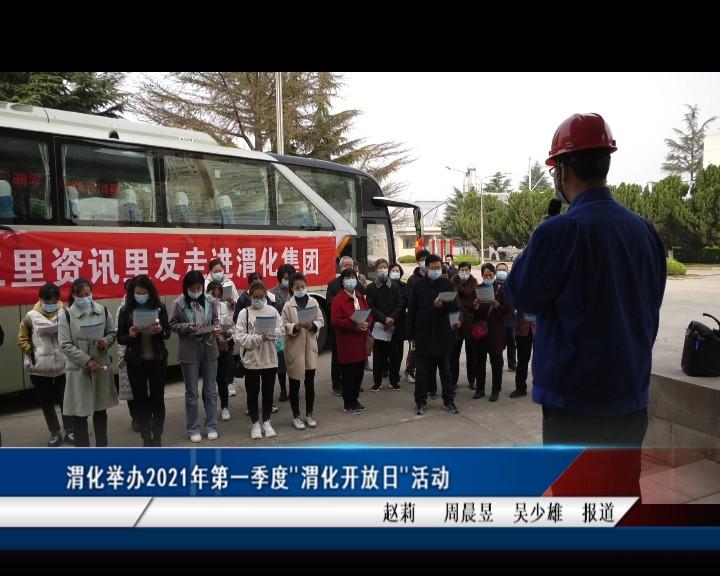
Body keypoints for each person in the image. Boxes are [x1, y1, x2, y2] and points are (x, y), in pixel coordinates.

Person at [504, 112, 667, 498]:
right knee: (621, 496)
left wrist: (537, 240)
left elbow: (519, 294)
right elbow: (652, 298)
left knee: (577, 502)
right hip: (630, 397)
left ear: (561, 170)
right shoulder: (644, 230)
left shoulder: (560, 230)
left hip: (575, 403)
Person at [58, 278, 118, 447]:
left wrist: (105, 342)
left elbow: (112, 333)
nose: (85, 298)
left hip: (100, 367)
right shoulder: (66, 315)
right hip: (79, 370)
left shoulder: (102, 311)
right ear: (74, 295)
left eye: (87, 294)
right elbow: (65, 344)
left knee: (100, 413)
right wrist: (87, 360)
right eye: (81, 295)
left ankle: (102, 449)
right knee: (80, 415)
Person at [116, 275, 171, 447]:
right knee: (139, 400)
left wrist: (160, 330)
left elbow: (167, 333)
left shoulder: (159, 307)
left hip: (157, 359)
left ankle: (158, 436)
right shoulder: (126, 310)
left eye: (144, 292)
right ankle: (146, 437)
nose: (140, 296)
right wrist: (130, 335)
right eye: (137, 293)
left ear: (150, 291)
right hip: (136, 361)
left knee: (157, 398)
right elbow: (120, 337)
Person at [17, 282, 73, 447]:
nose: (51, 304)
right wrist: (33, 352)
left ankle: (70, 430)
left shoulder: (65, 313)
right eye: (47, 301)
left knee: (66, 400)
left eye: (54, 300)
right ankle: (54, 432)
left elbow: (73, 333)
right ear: (40, 299)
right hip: (39, 369)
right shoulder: (30, 317)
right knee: (46, 403)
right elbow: (21, 339)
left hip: (63, 366)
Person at [169, 270, 221, 443]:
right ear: (186, 288)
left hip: (209, 348)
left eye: (199, 288)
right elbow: (172, 324)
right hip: (189, 350)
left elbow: (216, 321)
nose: (196, 291)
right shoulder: (179, 303)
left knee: (211, 390)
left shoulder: (211, 302)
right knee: (191, 392)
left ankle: (212, 425)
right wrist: (186, 327)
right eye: (193, 289)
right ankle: (193, 428)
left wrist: (215, 330)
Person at [406, 254, 458, 415]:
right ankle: (420, 401)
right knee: (422, 372)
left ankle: (449, 401)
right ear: (426, 268)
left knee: (446, 371)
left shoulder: (447, 284)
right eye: (433, 268)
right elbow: (411, 310)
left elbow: (454, 307)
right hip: (423, 334)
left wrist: (443, 307)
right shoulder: (418, 285)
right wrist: (410, 334)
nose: (436, 270)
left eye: (439, 267)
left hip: (443, 334)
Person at [234, 280, 284, 439]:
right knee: (252, 393)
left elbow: (281, 330)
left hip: (269, 358)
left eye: (261, 296)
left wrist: (271, 334)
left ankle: (267, 421)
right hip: (252, 361)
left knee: (268, 392)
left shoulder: (272, 311)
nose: (259, 300)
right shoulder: (244, 313)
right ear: (250, 297)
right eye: (255, 297)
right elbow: (240, 337)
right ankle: (255, 423)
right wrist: (257, 338)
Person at [282, 273, 324, 429]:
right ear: (292, 289)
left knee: (310, 383)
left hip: (309, 348)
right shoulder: (288, 306)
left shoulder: (313, 302)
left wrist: (312, 326)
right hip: (294, 349)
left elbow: (320, 320)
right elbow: (283, 325)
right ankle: (296, 416)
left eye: (302, 286)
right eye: (297, 287)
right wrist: (295, 327)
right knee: (294, 384)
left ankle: (309, 414)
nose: (300, 289)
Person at [331, 268, 373, 415]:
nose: (351, 280)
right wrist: (353, 325)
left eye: (353, 277)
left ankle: (355, 400)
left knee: (359, 374)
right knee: (349, 375)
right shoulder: (338, 300)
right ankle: (348, 403)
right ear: (342, 281)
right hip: (347, 343)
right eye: (347, 278)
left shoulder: (360, 296)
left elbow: (368, 314)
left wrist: (367, 323)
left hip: (361, 342)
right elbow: (336, 321)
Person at [471, 263, 511, 402]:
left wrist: (498, 306)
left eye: (490, 275)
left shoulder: (501, 290)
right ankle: (480, 389)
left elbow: (508, 310)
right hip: (480, 331)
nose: (488, 277)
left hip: (496, 332)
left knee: (496, 362)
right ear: (482, 275)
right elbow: (472, 311)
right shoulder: (477, 289)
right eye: (485, 275)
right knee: (479, 362)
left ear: (494, 275)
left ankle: (495, 390)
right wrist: (475, 306)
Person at [326, 256, 363, 396]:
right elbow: (330, 304)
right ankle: (337, 385)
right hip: (341, 328)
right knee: (338, 357)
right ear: (339, 268)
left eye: (351, 265)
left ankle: (353, 384)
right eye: (345, 265)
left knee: (355, 358)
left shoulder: (357, 283)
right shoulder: (333, 284)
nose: (348, 268)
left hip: (357, 328)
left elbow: (364, 302)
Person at [366, 258, 404, 391]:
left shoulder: (394, 286)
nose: (383, 270)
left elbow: (400, 304)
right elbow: (371, 306)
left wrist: (392, 318)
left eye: (384, 267)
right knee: (378, 356)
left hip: (393, 326)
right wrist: (384, 319)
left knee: (394, 356)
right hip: (379, 327)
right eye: (380, 267)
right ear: (376, 270)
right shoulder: (371, 287)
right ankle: (377, 382)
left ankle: (394, 381)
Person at [206, 258, 239, 397]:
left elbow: (237, 301)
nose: (218, 273)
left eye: (220, 270)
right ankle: (215, 383)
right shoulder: (206, 284)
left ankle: (229, 382)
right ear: (210, 272)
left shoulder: (229, 283)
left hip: (227, 323)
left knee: (228, 357)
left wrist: (232, 302)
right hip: (212, 326)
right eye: (215, 271)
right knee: (214, 358)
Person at [205, 280, 234, 422]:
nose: (215, 299)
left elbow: (230, 324)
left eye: (218, 296)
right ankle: (209, 410)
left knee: (221, 378)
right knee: (208, 381)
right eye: (212, 295)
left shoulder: (223, 306)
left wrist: (227, 332)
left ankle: (225, 407)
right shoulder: (202, 307)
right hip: (207, 346)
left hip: (222, 346)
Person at [270, 264, 297, 403]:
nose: (286, 280)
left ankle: (293, 389)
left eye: (289, 278)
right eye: (284, 278)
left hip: (294, 330)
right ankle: (283, 389)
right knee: (281, 363)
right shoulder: (273, 293)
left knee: (293, 362)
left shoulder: (296, 291)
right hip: (280, 332)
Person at [404, 248, 431, 385]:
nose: (424, 262)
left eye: (427, 260)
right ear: (418, 262)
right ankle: (410, 370)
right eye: (422, 260)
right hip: (416, 318)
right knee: (414, 347)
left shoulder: (433, 277)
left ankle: (424, 371)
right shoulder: (413, 279)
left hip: (431, 319)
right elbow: (409, 300)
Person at [450, 261, 477, 391]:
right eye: (462, 270)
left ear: (470, 271)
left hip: (470, 322)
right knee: (454, 354)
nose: (464, 272)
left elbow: (477, 303)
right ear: (458, 271)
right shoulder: (451, 283)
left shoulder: (475, 284)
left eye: (466, 270)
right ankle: (453, 380)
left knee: (471, 354)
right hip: (456, 321)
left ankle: (472, 380)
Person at [388, 263, 409, 387]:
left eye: (397, 271)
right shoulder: (385, 285)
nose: (395, 272)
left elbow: (406, 302)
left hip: (400, 322)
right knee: (387, 350)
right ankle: (387, 370)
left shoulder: (404, 287)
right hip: (386, 321)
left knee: (398, 350)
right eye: (393, 270)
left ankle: (395, 373)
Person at [495, 262, 517, 371]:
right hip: (496, 319)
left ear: (508, 272)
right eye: (500, 270)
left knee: (511, 343)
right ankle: (499, 363)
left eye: (504, 270)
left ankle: (512, 363)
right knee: (498, 342)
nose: (502, 272)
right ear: (496, 272)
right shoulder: (492, 285)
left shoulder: (512, 285)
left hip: (509, 318)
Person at [511, 311, 536, 398]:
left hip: (538, 329)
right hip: (522, 329)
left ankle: (539, 387)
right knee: (522, 361)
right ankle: (520, 388)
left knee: (540, 361)